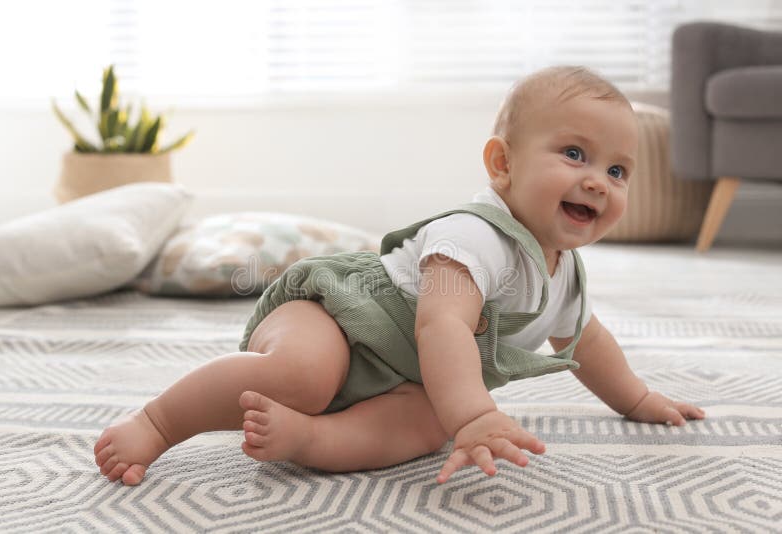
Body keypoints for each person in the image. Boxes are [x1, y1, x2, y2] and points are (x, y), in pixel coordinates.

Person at [94, 66, 706, 487]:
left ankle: (311, 440)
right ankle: (157, 421)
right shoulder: (474, 237)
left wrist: (638, 399)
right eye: (574, 154)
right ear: (502, 164)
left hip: (401, 377)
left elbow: (586, 342)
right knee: (307, 377)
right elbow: (442, 326)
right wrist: (475, 413)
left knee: (429, 422)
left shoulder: (565, 273)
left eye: (618, 170)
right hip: (339, 317)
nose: (599, 180)